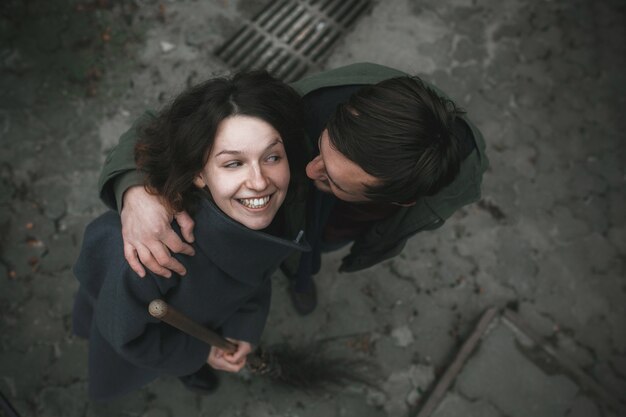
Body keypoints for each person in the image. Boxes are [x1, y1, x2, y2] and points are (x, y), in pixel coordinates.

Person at [97, 62, 489, 316]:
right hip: (287, 220)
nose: (309, 168)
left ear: (399, 199)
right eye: (320, 147)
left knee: (319, 245)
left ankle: (304, 271)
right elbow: (160, 127)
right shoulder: (306, 104)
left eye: (331, 180)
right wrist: (133, 190)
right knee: (295, 244)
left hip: (343, 224)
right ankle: (296, 268)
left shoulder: (449, 187)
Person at [72, 71, 310, 400]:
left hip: (204, 322)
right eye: (233, 164)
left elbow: (254, 277)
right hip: (152, 341)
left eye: (272, 157)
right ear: (199, 173)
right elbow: (127, 335)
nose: (258, 182)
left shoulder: (262, 216)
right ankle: (187, 370)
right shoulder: (156, 254)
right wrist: (199, 354)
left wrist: (244, 329)